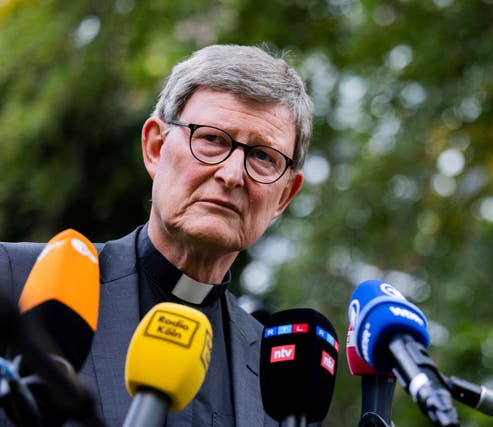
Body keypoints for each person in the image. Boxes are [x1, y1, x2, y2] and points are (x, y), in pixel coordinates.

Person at [0, 44, 312, 426]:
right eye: (212, 139)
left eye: (264, 156)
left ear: (284, 195)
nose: (232, 174)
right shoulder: (17, 283)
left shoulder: (284, 379)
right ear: (155, 148)